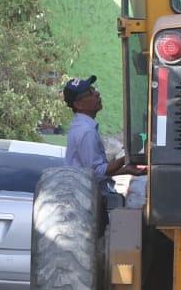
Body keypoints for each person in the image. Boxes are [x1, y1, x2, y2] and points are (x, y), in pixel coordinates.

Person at [62, 76, 145, 207]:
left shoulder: (82, 127)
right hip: (88, 203)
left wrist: (126, 170)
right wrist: (125, 159)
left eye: (93, 89)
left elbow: (96, 172)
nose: (97, 93)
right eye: (90, 93)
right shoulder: (86, 131)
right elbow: (96, 173)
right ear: (78, 104)